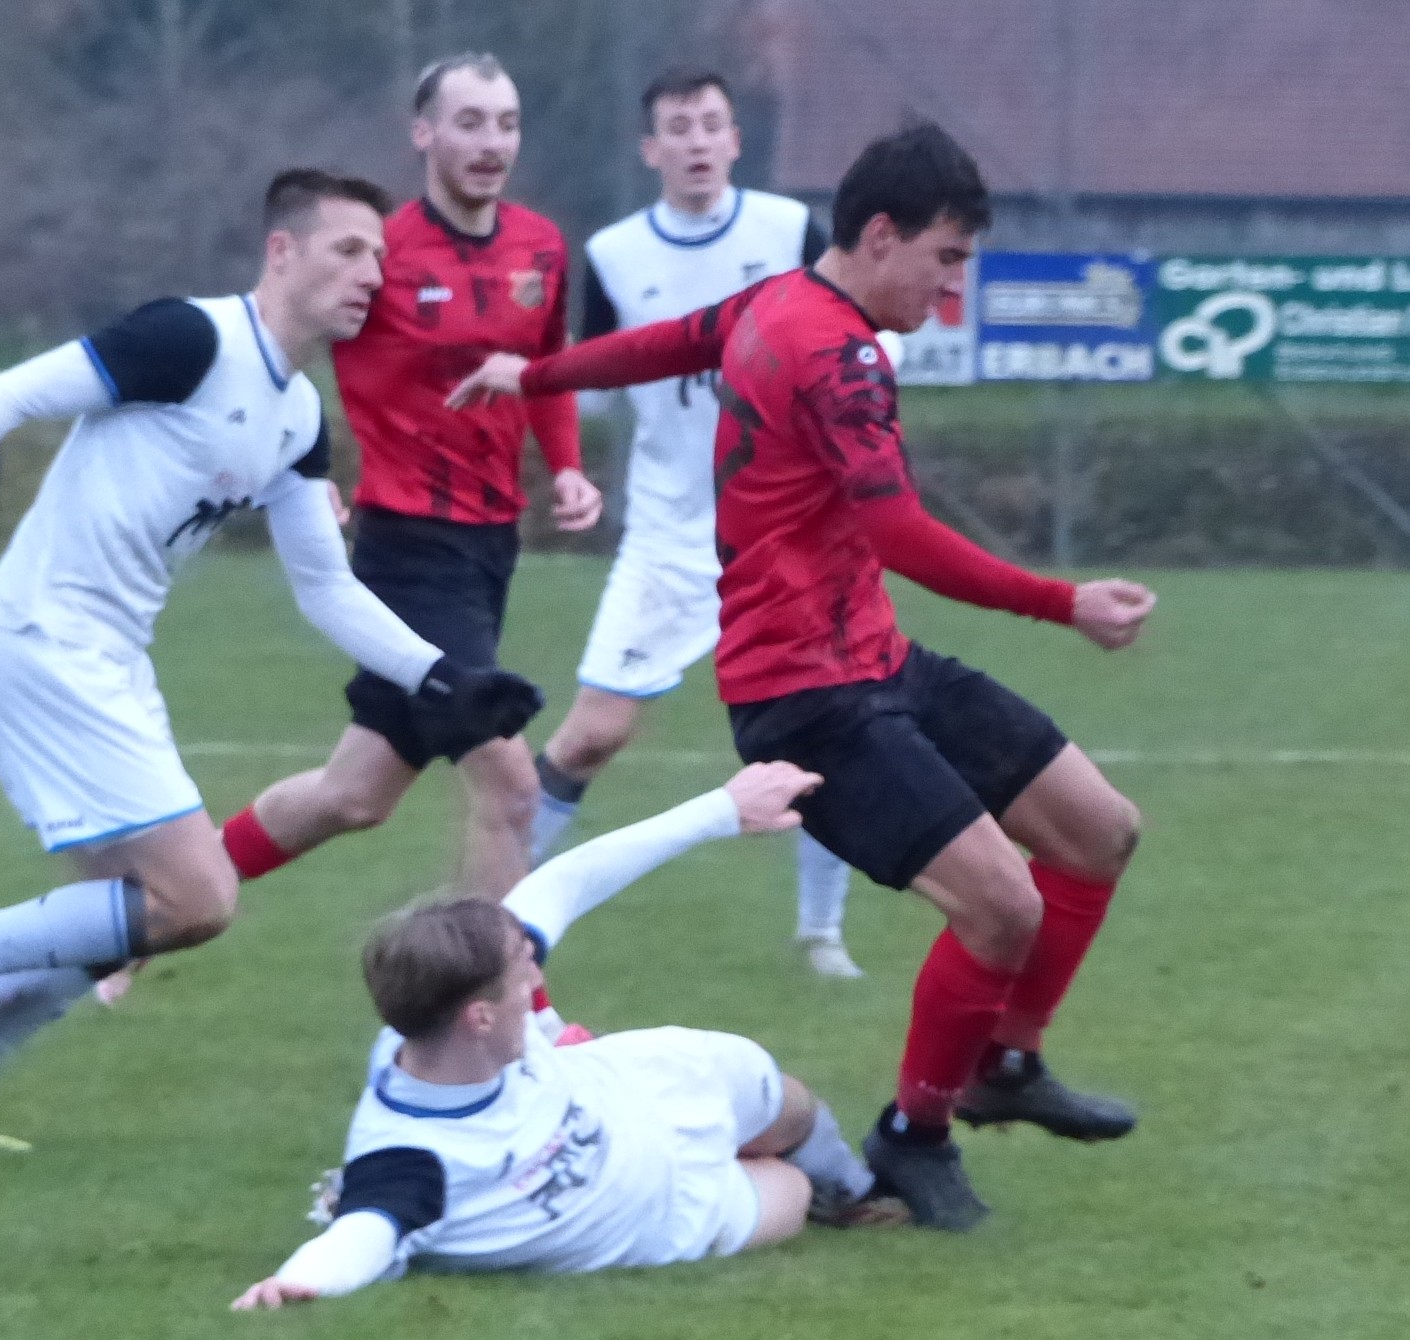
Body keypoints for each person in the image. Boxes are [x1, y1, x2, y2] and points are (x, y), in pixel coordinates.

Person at [445, 123, 1158, 1230]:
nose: (952, 286)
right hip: (808, 700)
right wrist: (1062, 602)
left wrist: (532, 373)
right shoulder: (838, 354)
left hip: (878, 658)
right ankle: (914, 1133)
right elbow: (900, 532)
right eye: (946, 258)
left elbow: (663, 344)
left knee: (1100, 831)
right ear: (879, 235)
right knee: (1002, 905)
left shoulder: (774, 302)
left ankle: (1004, 1065)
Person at [0, 169, 542, 1148]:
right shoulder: (191, 340)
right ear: (281, 251)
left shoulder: (297, 416)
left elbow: (325, 586)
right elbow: (8, 394)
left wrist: (443, 679)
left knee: (112, 919)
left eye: (379, 256)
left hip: (112, 657)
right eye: (347, 250)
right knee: (198, 898)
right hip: (45, 639)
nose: (372, 274)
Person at [229, 764, 899, 1310]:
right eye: (521, 978)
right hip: (672, 1213)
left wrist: (723, 808)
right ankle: (830, 1194)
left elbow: (566, 882)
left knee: (785, 1101)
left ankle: (861, 1191)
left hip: (639, 1087)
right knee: (791, 1193)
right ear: (478, 1017)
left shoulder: (447, 1010)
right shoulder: (409, 1161)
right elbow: (361, 1235)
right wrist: (297, 1282)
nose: (535, 983)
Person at [219, 53, 599, 902]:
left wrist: (569, 468)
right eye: (470, 122)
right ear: (423, 133)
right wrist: (295, 467)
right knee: (513, 788)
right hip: (408, 552)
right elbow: (279, 346)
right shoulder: (379, 250)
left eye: (506, 124)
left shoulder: (540, 245)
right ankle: (501, 983)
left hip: (491, 549)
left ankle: (154, 904)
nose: (492, 142)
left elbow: (546, 370)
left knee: (353, 795)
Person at [521, 66, 864, 981]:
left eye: (712, 124)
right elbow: (589, 381)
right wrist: (567, 466)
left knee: (825, 732)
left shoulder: (789, 232)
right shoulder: (614, 254)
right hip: (670, 538)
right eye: (679, 127)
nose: (698, 141)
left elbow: (853, 341)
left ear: (736, 140)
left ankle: (821, 934)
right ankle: (498, 921)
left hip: (787, 536)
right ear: (652, 149)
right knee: (591, 735)